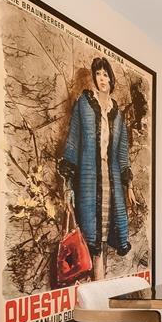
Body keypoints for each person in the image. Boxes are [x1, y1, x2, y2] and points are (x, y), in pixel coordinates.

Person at [60, 57, 137, 280]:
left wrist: (128, 186)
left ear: (111, 79)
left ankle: (100, 284)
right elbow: (73, 140)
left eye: (105, 74)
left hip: (110, 181)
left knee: (106, 232)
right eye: (98, 74)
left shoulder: (118, 114)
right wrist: (67, 183)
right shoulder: (84, 104)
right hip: (88, 180)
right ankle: (97, 286)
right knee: (91, 233)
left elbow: (122, 152)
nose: (101, 79)